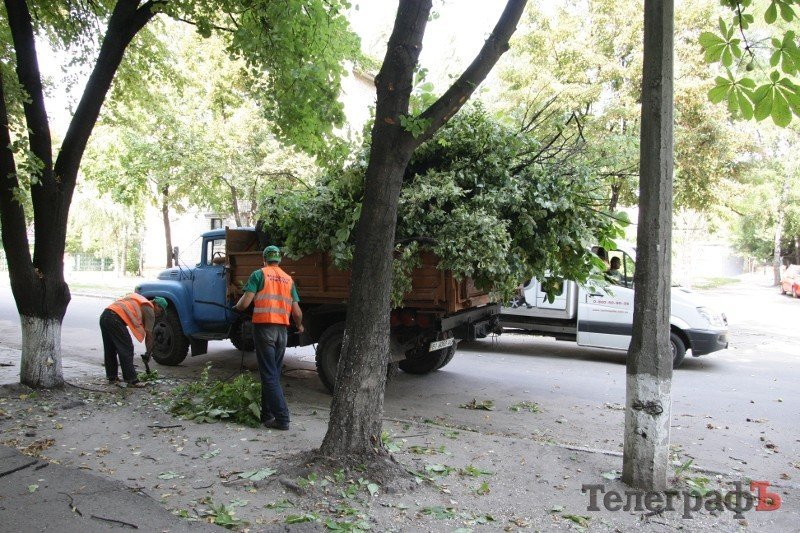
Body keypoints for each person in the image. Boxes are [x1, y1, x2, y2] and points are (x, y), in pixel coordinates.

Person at [234, 245, 303, 431]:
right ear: (279, 260)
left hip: (264, 329)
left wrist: (237, 308)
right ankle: (267, 414)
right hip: (282, 331)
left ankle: (282, 418)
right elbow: (296, 311)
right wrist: (300, 325)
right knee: (272, 373)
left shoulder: (259, 275)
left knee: (268, 374)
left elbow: (245, 302)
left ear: (264, 259)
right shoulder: (288, 279)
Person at [99, 294, 167, 387]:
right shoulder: (149, 309)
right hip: (115, 318)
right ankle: (132, 380)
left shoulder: (141, 301)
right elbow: (149, 336)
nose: (159, 314)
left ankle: (112, 377)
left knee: (110, 349)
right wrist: (148, 353)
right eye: (161, 310)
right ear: (156, 305)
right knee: (127, 348)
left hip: (105, 316)